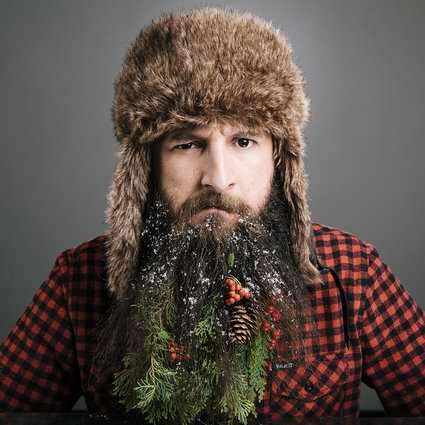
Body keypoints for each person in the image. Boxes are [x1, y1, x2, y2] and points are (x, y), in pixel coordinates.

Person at [1, 7, 425, 423]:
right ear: (146, 166)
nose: (218, 180)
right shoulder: (78, 281)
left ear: (279, 158)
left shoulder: (353, 274)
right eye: (187, 144)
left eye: (243, 141)